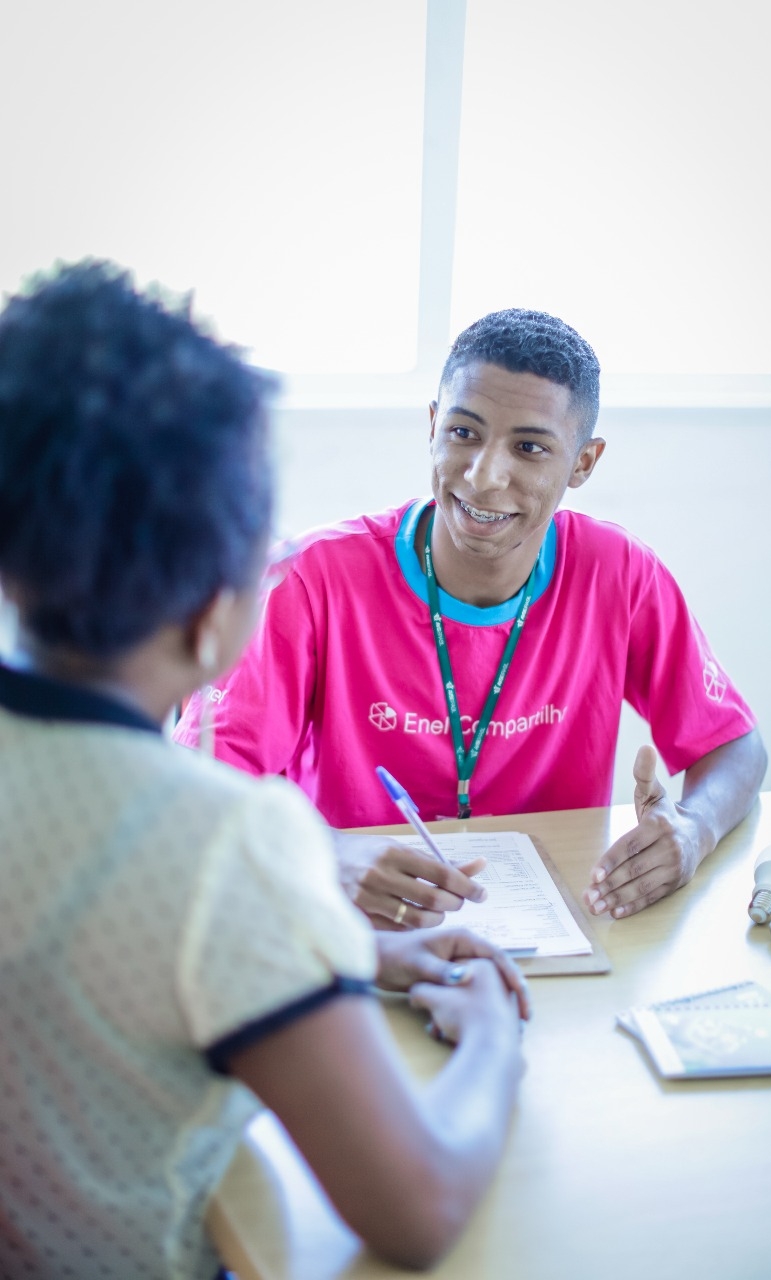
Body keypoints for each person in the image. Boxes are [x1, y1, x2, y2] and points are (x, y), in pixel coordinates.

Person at [0, 263, 529, 1279]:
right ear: (213, 616)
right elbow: (416, 1207)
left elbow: (86, 953)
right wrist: (493, 1033)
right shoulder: (216, 836)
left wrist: (348, 951)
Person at [175, 308, 767, 929]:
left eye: (530, 447)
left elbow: (736, 746)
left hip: (558, 924)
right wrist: (325, 855)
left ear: (583, 464)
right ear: (433, 426)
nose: (485, 477)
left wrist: (694, 830)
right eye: (463, 432)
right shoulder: (311, 579)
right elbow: (193, 782)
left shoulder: (619, 574)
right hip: (353, 928)